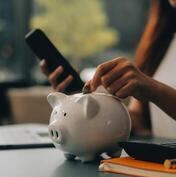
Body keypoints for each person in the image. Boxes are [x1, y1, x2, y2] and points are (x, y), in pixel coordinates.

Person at [40, 0, 176, 138]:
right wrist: (82, 106)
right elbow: (138, 121)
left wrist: (154, 90)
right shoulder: (162, 39)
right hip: (160, 159)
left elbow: (153, 91)